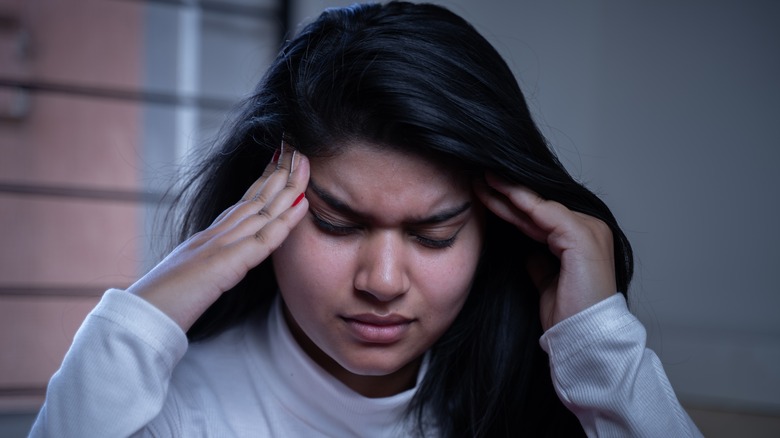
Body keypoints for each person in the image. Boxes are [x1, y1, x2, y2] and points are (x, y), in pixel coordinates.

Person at [29, 2, 703, 437]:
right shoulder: (172, 413)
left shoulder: (532, 396)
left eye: (433, 234)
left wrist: (604, 350)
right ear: (260, 217)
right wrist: (138, 318)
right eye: (337, 224)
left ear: (495, 231)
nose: (382, 281)